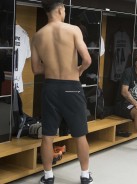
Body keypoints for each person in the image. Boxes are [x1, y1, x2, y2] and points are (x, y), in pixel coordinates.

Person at [31, 0, 92, 183]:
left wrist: (51, 68)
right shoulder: (73, 30)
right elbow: (87, 59)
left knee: (48, 135)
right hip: (71, 87)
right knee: (80, 134)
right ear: (60, 9)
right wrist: (78, 70)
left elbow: (35, 69)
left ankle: (48, 177)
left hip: (50, 87)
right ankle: (84, 175)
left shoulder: (37, 36)